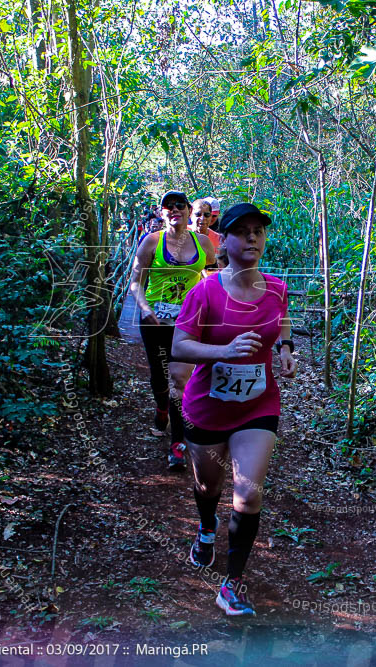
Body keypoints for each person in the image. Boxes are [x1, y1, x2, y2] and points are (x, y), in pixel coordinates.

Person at [171, 202, 296, 617]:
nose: (252, 239)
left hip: (258, 406)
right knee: (209, 489)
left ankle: (232, 582)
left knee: (247, 494)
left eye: (258, 231)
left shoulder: (277, 289)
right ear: (223, 240)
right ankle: (207, 528)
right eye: (241, 232)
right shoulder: (204, 291)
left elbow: (282, 323)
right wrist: (223, 350)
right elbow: (180, 346)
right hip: (207, 408)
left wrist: (286, 350)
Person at [128, 190, 216, 471]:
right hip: (155, 320)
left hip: (187, 322)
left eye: (180, 205)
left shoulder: (203, 243)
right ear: (161, 211)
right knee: (159, 376)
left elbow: (211, 277)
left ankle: (177, 444)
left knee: (180, 381)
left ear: (189, 210)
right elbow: (135, 281)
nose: (174, 209)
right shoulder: (151, 242)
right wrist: (144, 308)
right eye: (168, 206)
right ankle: (161, 410)